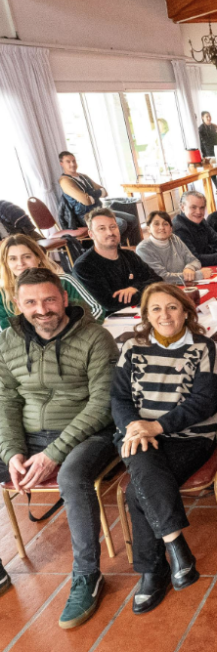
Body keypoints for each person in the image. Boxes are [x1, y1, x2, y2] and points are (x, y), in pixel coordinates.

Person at [0, 268, 119, 628]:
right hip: (28, 437)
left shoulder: (97, 338)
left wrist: (53, 453)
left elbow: (102, 404)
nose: (42, 309)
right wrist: (11, 451)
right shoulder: (6, 341)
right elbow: (4, 397)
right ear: (17, 305)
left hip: (89, 435)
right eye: (31, 302)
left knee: (71, 475)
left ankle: (87, 575)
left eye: (50, 299)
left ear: (65, 298)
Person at [111, 282, 217, 614]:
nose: (165, 315)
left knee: (136, 492)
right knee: (143, 467)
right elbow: (118, 397)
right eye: (156, 309)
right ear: (145, 315)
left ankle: (151, 571)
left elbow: (205, 401)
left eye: (172, 307)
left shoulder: (202, 347)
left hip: (190, 438)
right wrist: (135, 426)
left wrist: (156, 426)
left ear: (187, 311)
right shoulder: (131, 346)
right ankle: (174, 549)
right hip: (137, 435)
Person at [72, 209, 162, 316]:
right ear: (91, 234)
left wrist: (135, 289)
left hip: (140, 312)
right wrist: (144, 290)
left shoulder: (129, 255)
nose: (110, 232)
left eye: (113, 227)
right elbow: (110, 304)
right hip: (109, 321)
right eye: (102, 229)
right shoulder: (84, 266)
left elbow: (158, 280)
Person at [0, 235, 101, 328]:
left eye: (27, 257)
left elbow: (95, 310)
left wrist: (70, 335)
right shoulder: (2, 294)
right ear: (6, 263)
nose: (20, 263)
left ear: (38, 258)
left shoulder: (64, 281)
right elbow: (4, 333)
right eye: (13, 259)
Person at [57, 151, 141, 246]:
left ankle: (116, 245)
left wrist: (91, 195)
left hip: (100, 210)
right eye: (68, 161)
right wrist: (95, 194)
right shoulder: (65, 181)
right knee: (121, 224)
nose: (72, 164)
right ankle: (108, 248)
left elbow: (104, 192)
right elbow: (86, 201)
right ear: (62, 164)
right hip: (86, 216)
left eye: (74, 161)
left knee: (132, 219)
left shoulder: (83, 176)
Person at [135, 211, 207, 285]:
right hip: (160, 291)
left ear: (171, 229)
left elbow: (194, 260)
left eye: (165, 224)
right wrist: (197, 275)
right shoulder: (143, 249)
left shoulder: (174, 239)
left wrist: (189, 268)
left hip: (183, 285)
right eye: (156, 224)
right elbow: (162, 278)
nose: (161, 227)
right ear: (148, 229)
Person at [172, 191, 217, 267]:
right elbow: (195, 259)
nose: (198, 212)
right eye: (193, 207)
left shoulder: (201, 221)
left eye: (202, 208)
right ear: (182, 207)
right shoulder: (179, 229)